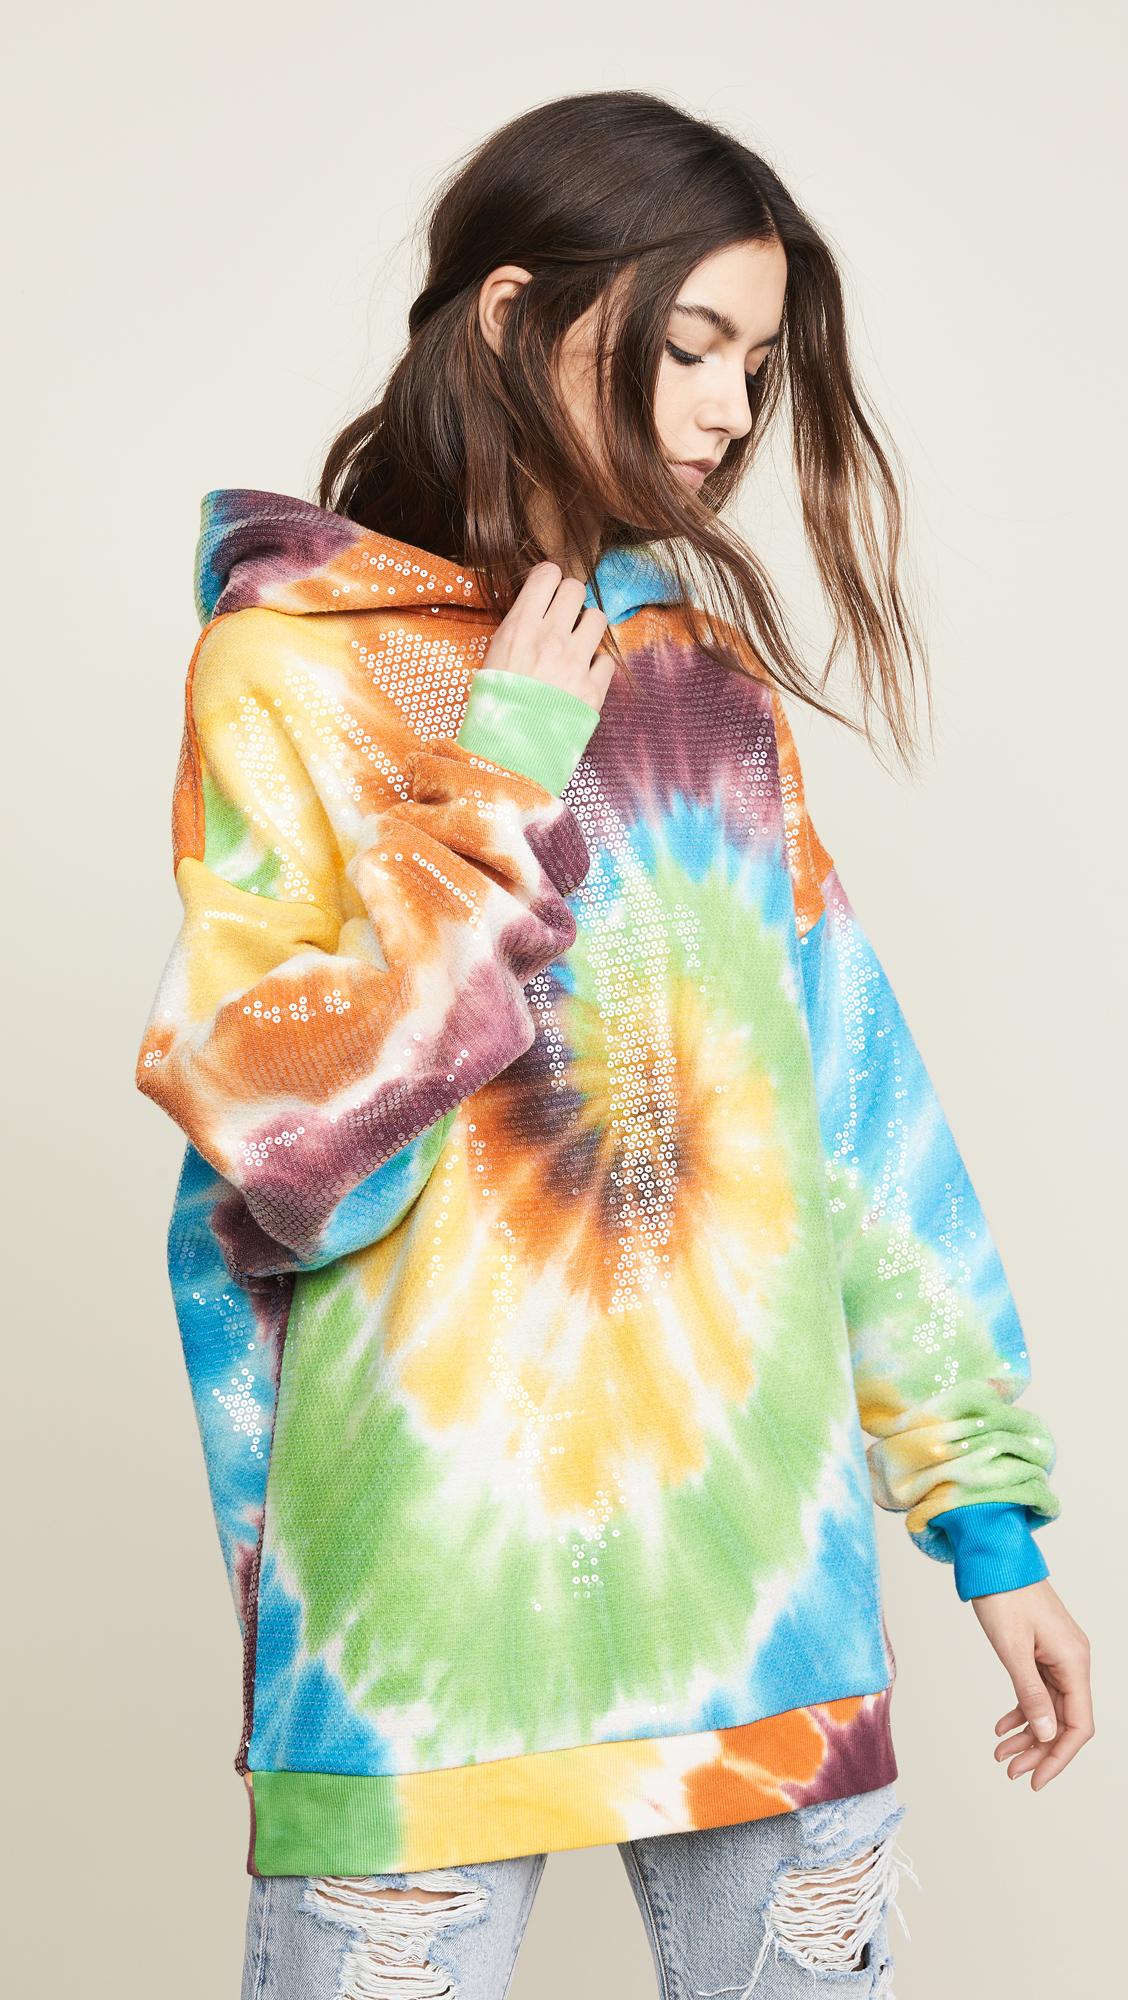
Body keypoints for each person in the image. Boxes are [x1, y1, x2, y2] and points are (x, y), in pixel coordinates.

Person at [134, 90, 1093, 2000]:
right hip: (424, 1620)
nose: (733, 410)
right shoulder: (290, 672)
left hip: (763, 1599)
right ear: (514, 315)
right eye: (693, 345)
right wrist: (498, 776)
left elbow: (852, 1114)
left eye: (760, 364)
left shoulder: (708, 697)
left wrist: (988, 1525)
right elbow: (292, 1157)